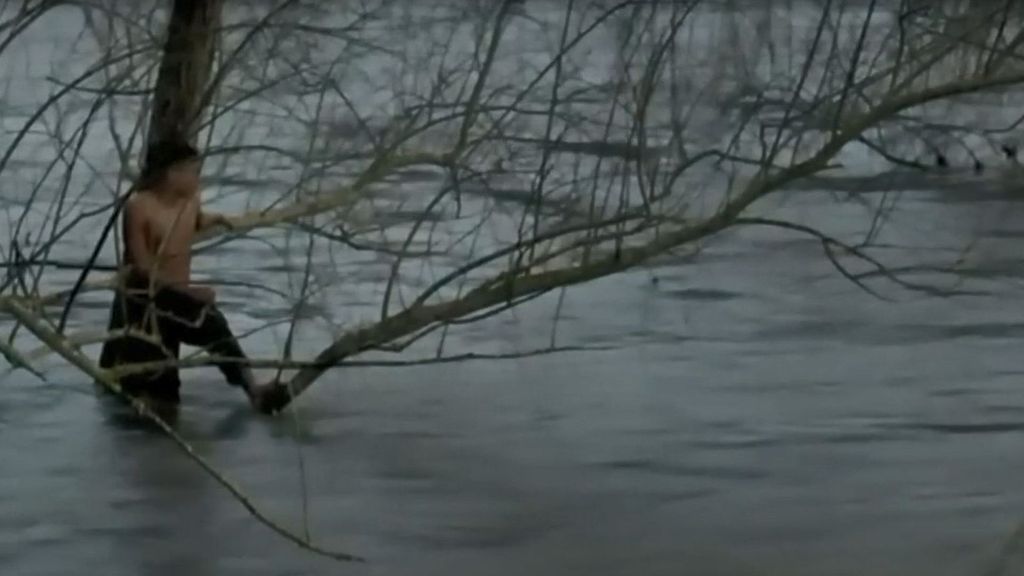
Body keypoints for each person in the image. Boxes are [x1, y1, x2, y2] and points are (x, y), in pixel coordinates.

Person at [98, 138, 290, 414]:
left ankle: (253, 389)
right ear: (170, 173)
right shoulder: (139, 207)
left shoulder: (190, 201)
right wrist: (189, 292)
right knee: (155, 400)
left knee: (213, 325)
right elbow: (141, 267)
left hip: (178, 297)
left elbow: (195, 221)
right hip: (145, 301)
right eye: (192, 171)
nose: (197, 178)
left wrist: (218, 219)